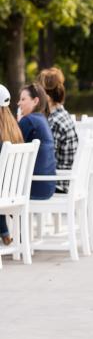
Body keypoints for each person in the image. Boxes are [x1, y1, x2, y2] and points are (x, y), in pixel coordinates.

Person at [38, 67, 79, 192]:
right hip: (65, 180)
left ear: (47, 96)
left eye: (38, 92)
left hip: (57, 183)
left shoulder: (54, 122)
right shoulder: (62, 115)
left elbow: (47, 159)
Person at [17, 83, 57, 201]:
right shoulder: (41, 119)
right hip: (47, 186)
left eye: (23, 99)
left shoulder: (29, 120)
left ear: (35, 101)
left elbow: (9, 147)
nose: (19, 103)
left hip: (33, 185)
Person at [0, 84, 24, 245]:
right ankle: (5, 233)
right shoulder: (14, 127)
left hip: (3, 192)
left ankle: (4, 232)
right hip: (14, 190)